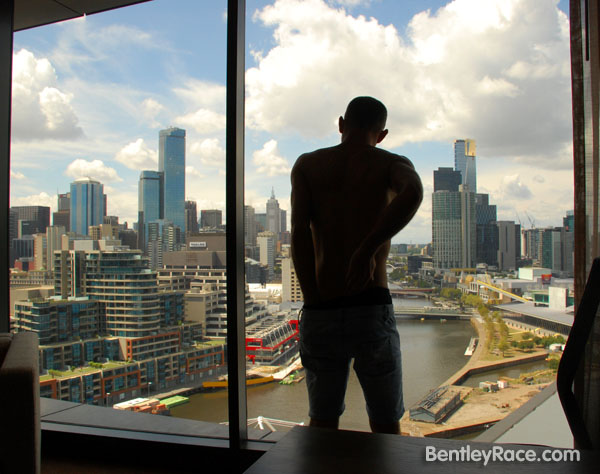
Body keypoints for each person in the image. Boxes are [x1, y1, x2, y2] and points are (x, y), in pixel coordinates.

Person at [290, 96, 423, 434]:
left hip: (322, 303)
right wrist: (367, 249)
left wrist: (312, 300)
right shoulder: (390, 164)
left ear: (341, 124)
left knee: (322, 422)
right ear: (382, 134)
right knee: (385, 423)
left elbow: (300, 235)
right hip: (371, 304)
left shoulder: (308, 165)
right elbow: (413, 192)